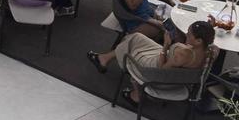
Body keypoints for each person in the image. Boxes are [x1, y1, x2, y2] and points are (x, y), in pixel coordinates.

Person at [88, 21, 217, 105]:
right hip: (178, 76)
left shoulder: (183, 54)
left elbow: (161, 70)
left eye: (189, 35)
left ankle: (136, 95)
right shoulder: (211, 52)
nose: (187, 36)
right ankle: (104, 59)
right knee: (137, 37)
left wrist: (166, 45)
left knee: (130, 43)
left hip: (154, 72)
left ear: (199, 41)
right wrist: (210, 26)